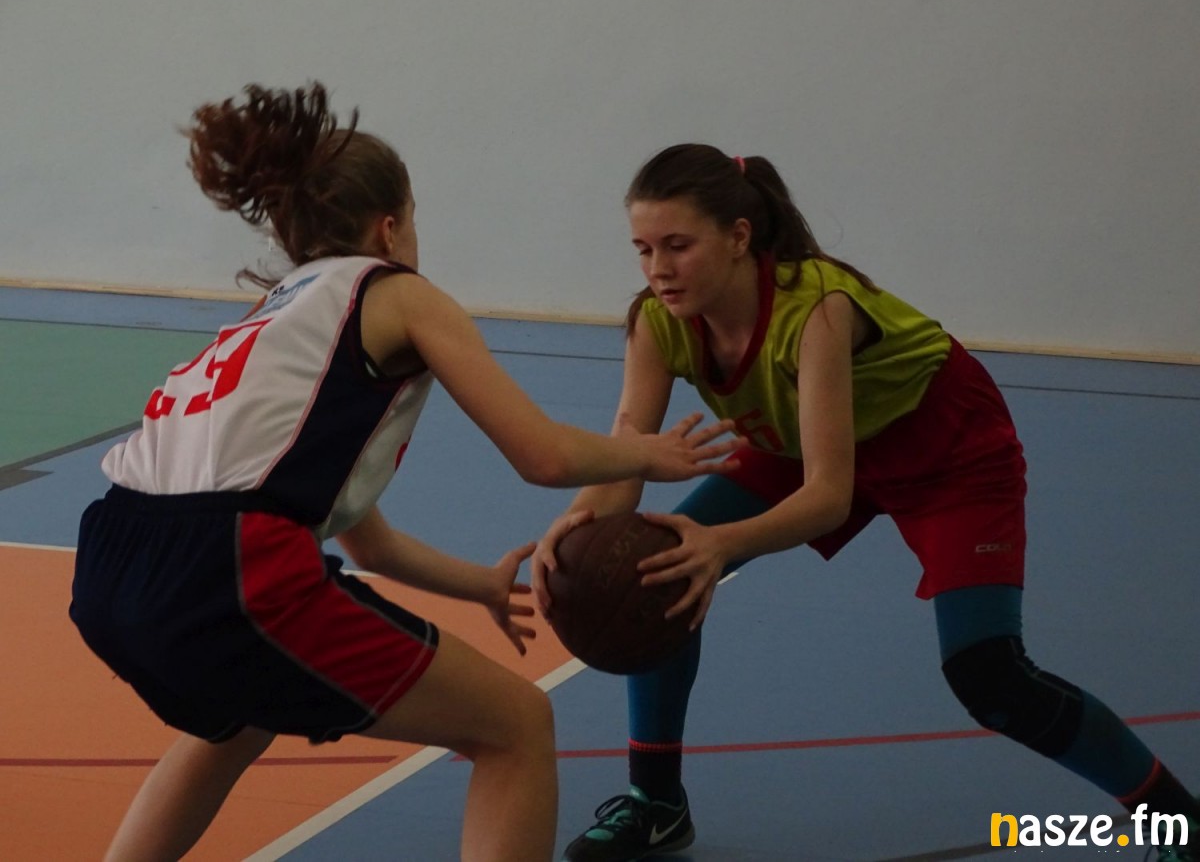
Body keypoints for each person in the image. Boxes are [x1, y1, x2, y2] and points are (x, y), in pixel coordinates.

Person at [67, 89, 744, 862]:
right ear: (390, 227)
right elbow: (544, 457)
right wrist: (648, 455)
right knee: (517, 725)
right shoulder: (396, 293)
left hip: (110, 563)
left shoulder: (277, 316)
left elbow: (370, 546)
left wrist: (479, 585)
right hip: (227, 565)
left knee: (233, 721)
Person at [532, 143, 1200, 862]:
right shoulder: (657, 322)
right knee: (656, 574)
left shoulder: (817, 310)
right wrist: (572, 530)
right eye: (643, 249)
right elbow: (626, 458)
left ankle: (1177, 821)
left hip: (944, 447)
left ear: (738, 237)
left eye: (677, 245)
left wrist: (720, 544)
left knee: (989, 674)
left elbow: (828, 495)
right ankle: (658, 803)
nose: (658, 269)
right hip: (799, 438)